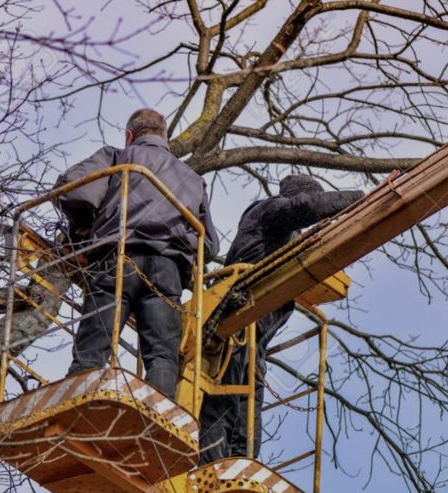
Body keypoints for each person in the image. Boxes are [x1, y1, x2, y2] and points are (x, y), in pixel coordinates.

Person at [53, 109, 219, 399]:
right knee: (162, 356)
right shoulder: (192, 179)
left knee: (94, 345)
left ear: (130, 135)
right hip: (166, 272)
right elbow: (210, 245)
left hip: (116, 261)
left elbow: (72, 191)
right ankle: (157, 417)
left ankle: (74, 406)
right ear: (164, 137)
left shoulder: (117, 157)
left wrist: (85, 227)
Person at [198, 174, 364, 464]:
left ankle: (240, 468)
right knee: (222, 401)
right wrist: (360, 199)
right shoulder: (268, 212)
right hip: (232, 323)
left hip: (252, 340)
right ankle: (211, 468)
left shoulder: (292, 243)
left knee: (247, 408)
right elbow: (304, 207)